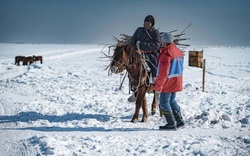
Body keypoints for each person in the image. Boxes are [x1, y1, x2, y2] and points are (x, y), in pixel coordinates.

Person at [154, 32, 185, 130]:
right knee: (172, 101)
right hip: (177, 81)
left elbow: (163, 73)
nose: (161, 42)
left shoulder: (167, 54)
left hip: (168, 82)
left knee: (164, 103)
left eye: (161, 40)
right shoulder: (177, 51)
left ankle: (171, 123)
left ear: (164, 41)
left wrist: (158, 87)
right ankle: (179, 121)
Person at [127, 15, 161, 102]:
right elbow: (133, 41)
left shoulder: (155, 32)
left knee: (153, 65)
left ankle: (154, 85)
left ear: (152, 24)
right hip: (137, 53)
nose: (147, 24)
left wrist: (142, 46)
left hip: (151, 54)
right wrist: (136, 49)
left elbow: (156, 45)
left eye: (149, 22)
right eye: (146, 22)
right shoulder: (139, 30)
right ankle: (135, 90)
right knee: (131, 67)